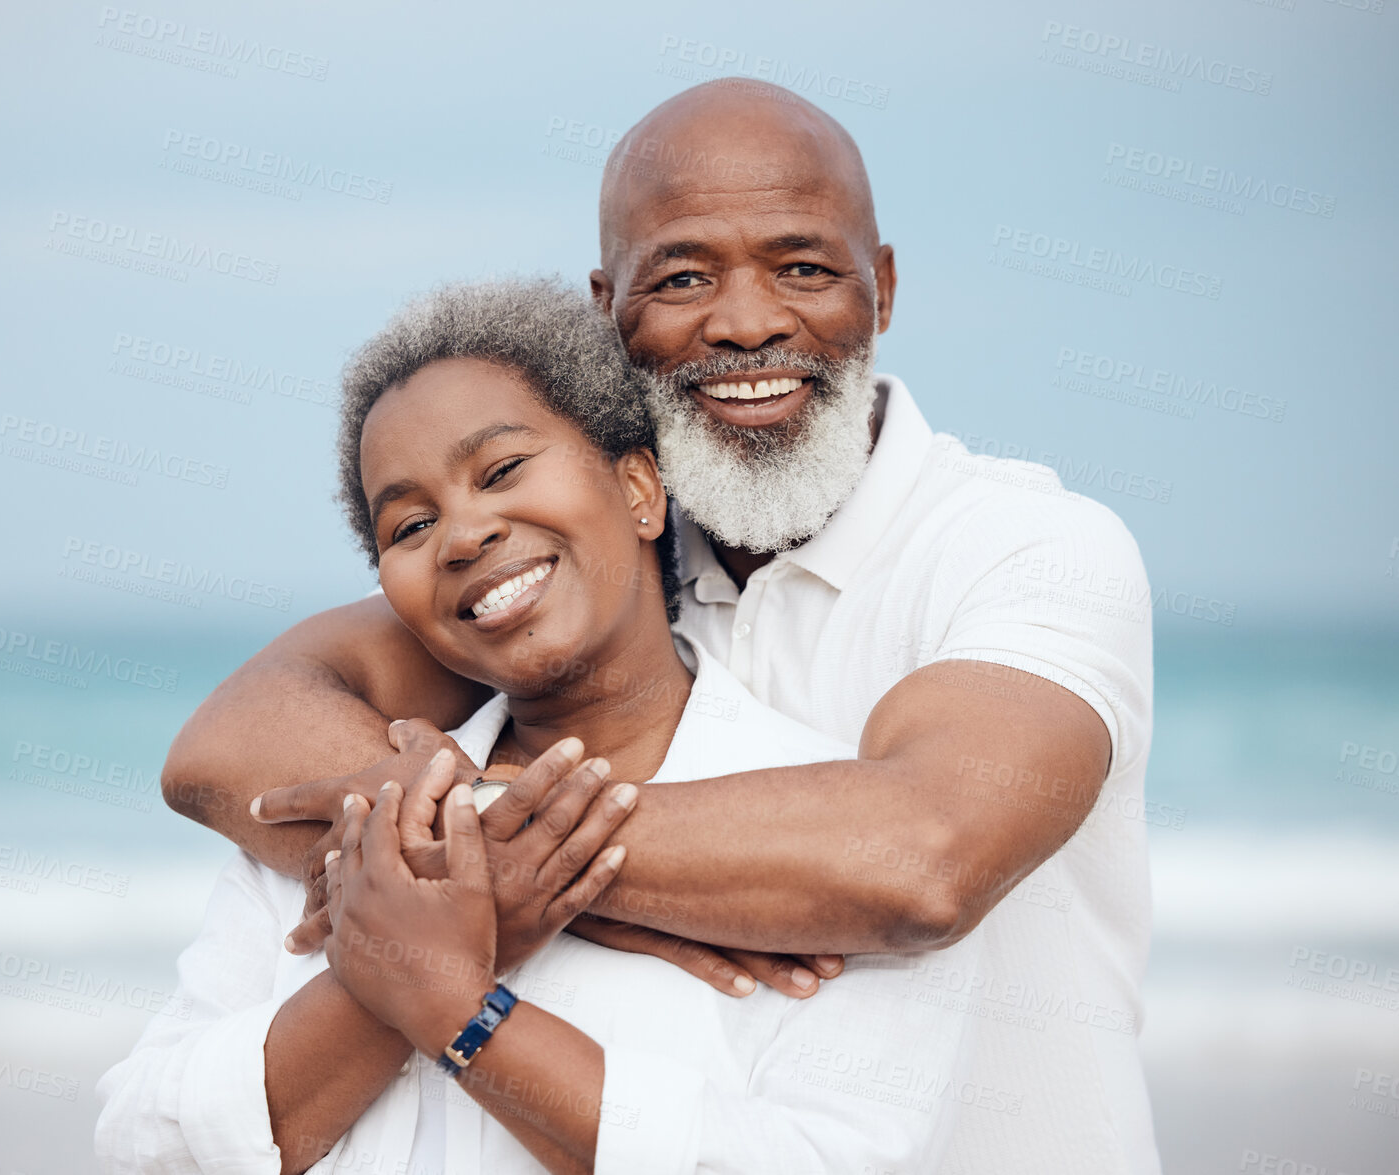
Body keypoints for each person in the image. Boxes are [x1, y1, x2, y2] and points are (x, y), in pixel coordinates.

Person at [163, 81, 1159, 1172]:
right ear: (607, 312)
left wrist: (482, 865)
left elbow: (923, 857)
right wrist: (482, 879)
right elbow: (234, 744)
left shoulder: (1025, 544)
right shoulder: (591, 555)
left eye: (803, 267)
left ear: (879, 286)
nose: (745, 322)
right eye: (682, 277)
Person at [96, 280, 991, 1174]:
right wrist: (401, 965)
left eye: (502, 471)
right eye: (409, 524)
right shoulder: (352, 823)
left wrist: (459, 1009)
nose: (462, 533)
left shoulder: (822, 850)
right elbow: (142, 1145)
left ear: (640, 488)